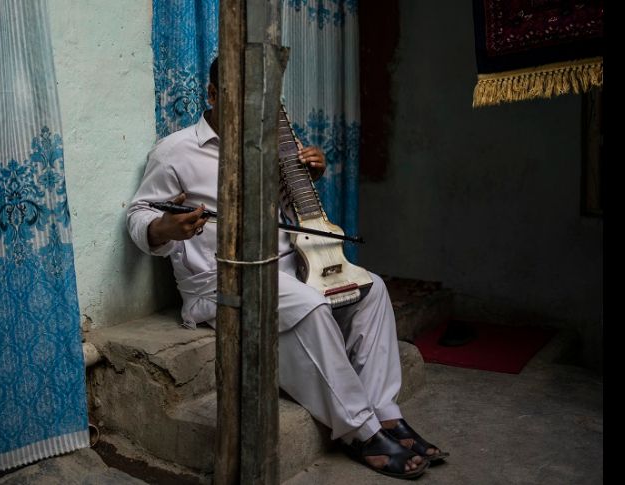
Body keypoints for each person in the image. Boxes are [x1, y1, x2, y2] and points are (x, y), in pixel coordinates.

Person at [127, 58, 447, 479]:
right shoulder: (175, 152)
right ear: (211, 95)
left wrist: (308, 170)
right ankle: (359, 430)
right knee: (308, 303)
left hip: (289, 269)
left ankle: (385, 413)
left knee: (372, 289)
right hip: (217, 281)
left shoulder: (269, 144)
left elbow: (294, 206)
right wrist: (163, 227)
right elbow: (139, 214)